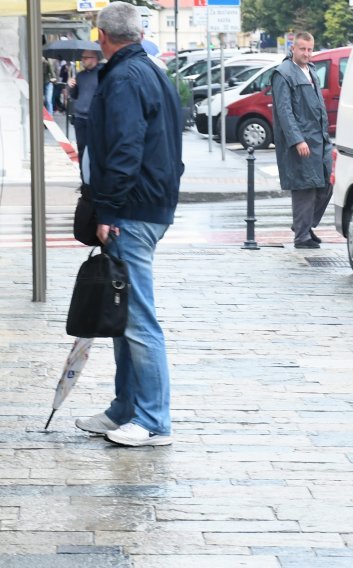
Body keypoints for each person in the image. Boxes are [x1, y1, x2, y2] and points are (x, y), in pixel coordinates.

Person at [74, 1, 184, 447]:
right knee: (122, 315)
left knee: (136, 318)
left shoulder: (123, 78)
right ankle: (126, 409)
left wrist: (109, 211)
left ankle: (154, 420)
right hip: (149, 204)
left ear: (102, 37)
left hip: (133, 210)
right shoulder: (152, 70)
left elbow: (124, 150)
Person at [271, 31, 332, 249]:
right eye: (302, 49)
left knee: (326, 184)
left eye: (309, 49)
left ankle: (302, 225)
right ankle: (302, 236)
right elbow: (284, 112)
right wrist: (297, 140)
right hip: (302, 143)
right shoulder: (283, 73)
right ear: (292, 49)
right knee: (305, 187)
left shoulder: (312, 71)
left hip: (319, 140)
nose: (306, 53)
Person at [67, 50, 101, 170]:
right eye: (82, 58)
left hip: (95, 118)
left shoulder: (101, 74)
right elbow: (75, 95)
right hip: (80, 118)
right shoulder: (80, 76)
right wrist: (71, 86)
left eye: (86, 58)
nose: (83, 60)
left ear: (94, 59)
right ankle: (84, 181)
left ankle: (94, 180)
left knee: (96, 150)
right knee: (81, 149)